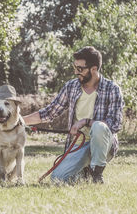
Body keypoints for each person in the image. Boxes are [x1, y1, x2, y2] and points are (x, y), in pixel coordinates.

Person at [23, 46, 124, 184]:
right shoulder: (71, 87)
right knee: (57, 179)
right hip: (78, 144)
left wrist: (86, 121)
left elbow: (115, 124)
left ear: (93, 69)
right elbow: (49, 112)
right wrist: (19, 121)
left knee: (99, 127)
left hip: (103, 145)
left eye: (80, 69)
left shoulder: (112, 89)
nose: (76, 72)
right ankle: (85, 172)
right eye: (75, 67)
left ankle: (97, 175)